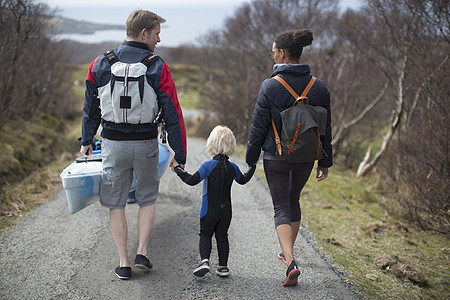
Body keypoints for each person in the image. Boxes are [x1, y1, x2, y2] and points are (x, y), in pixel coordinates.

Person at [80, 10, 187, 280]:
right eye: (156, 34)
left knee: (116, 203)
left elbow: (90, 109)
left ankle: (124, 262)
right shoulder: (158, 66)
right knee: (147, 198)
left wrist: (85, 141)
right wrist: (179, 153)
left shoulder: (99, 64)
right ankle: (142, 251)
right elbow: (172, 112)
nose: (159, 39)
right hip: (146, 144)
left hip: (113, 145)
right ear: (144, 33)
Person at [245, 29, 333, 286]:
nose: (272, 55)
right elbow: (326, 127)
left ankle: (291, 260)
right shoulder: (319, 87)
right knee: (293, 201)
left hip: (276, 156)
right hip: (305, 156)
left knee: (281, 206)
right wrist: (325, 161)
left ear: (282, 53)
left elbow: (258, 127)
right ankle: (287, 253)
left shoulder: (270, 86)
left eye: (272, 52)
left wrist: (251, 159)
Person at [172, 125, 255, 277]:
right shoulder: (233, 167)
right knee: (222, 236)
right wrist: (252, 167)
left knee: (205, 234)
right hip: (226, 212)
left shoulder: (208, 165)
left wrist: (178, 169)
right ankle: (223, 267)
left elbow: (191, 180)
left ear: (211, 145)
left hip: (209, 210)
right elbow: (243, 180)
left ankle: (204, 261)